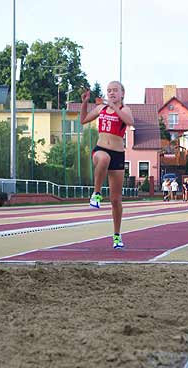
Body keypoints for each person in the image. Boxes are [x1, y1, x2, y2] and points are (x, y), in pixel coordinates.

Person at [80, 81, 135, 249]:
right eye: (109, 91)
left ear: (122, 93)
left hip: (118, 154)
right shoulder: (101, 109)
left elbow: (129, 121)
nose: (111, 93)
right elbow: (83, 120)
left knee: (116, 200)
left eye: (115, 91)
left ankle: (117, 236)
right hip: (101, 149)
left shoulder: (125, 110)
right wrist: (84, 102)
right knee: (103, 159)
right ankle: (96, 193)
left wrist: (115, 106)